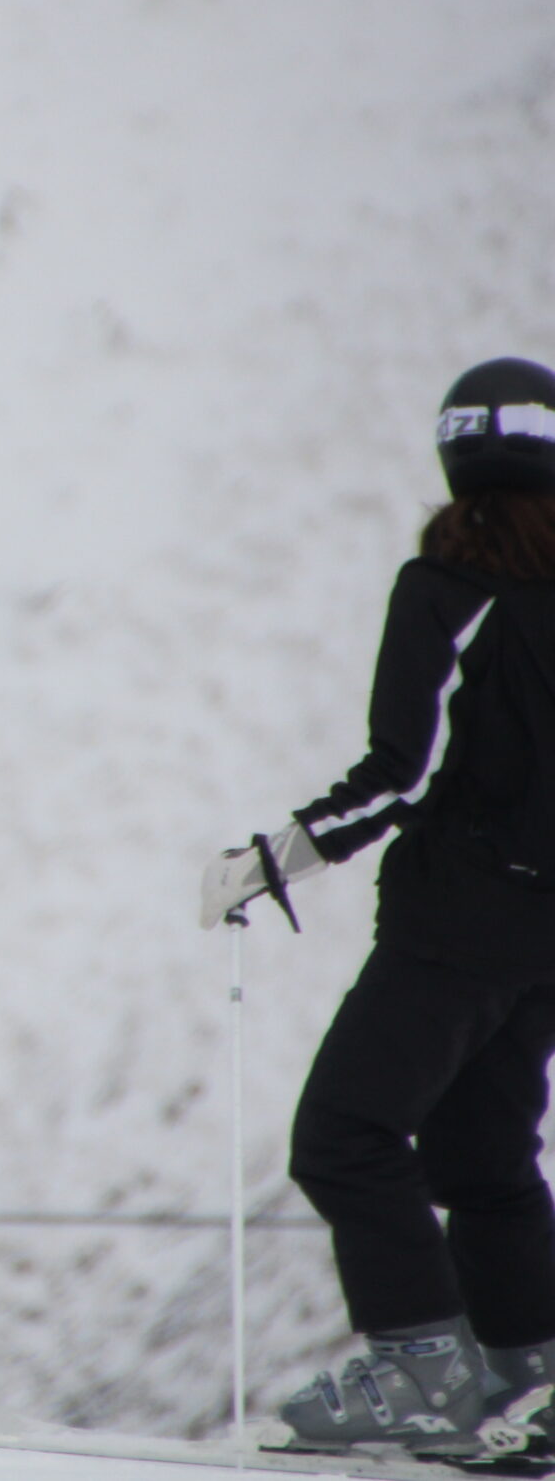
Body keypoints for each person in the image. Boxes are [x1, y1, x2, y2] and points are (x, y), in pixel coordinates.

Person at [204, 358, 555, 1455]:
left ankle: (422, 1373)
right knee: (484, 1162)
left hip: (454, 924)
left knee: (344, 1136)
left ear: (452, 458)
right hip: (545, 940)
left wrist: (273, 859)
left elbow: (403, 775)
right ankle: (529, 1381)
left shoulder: (447, 591)